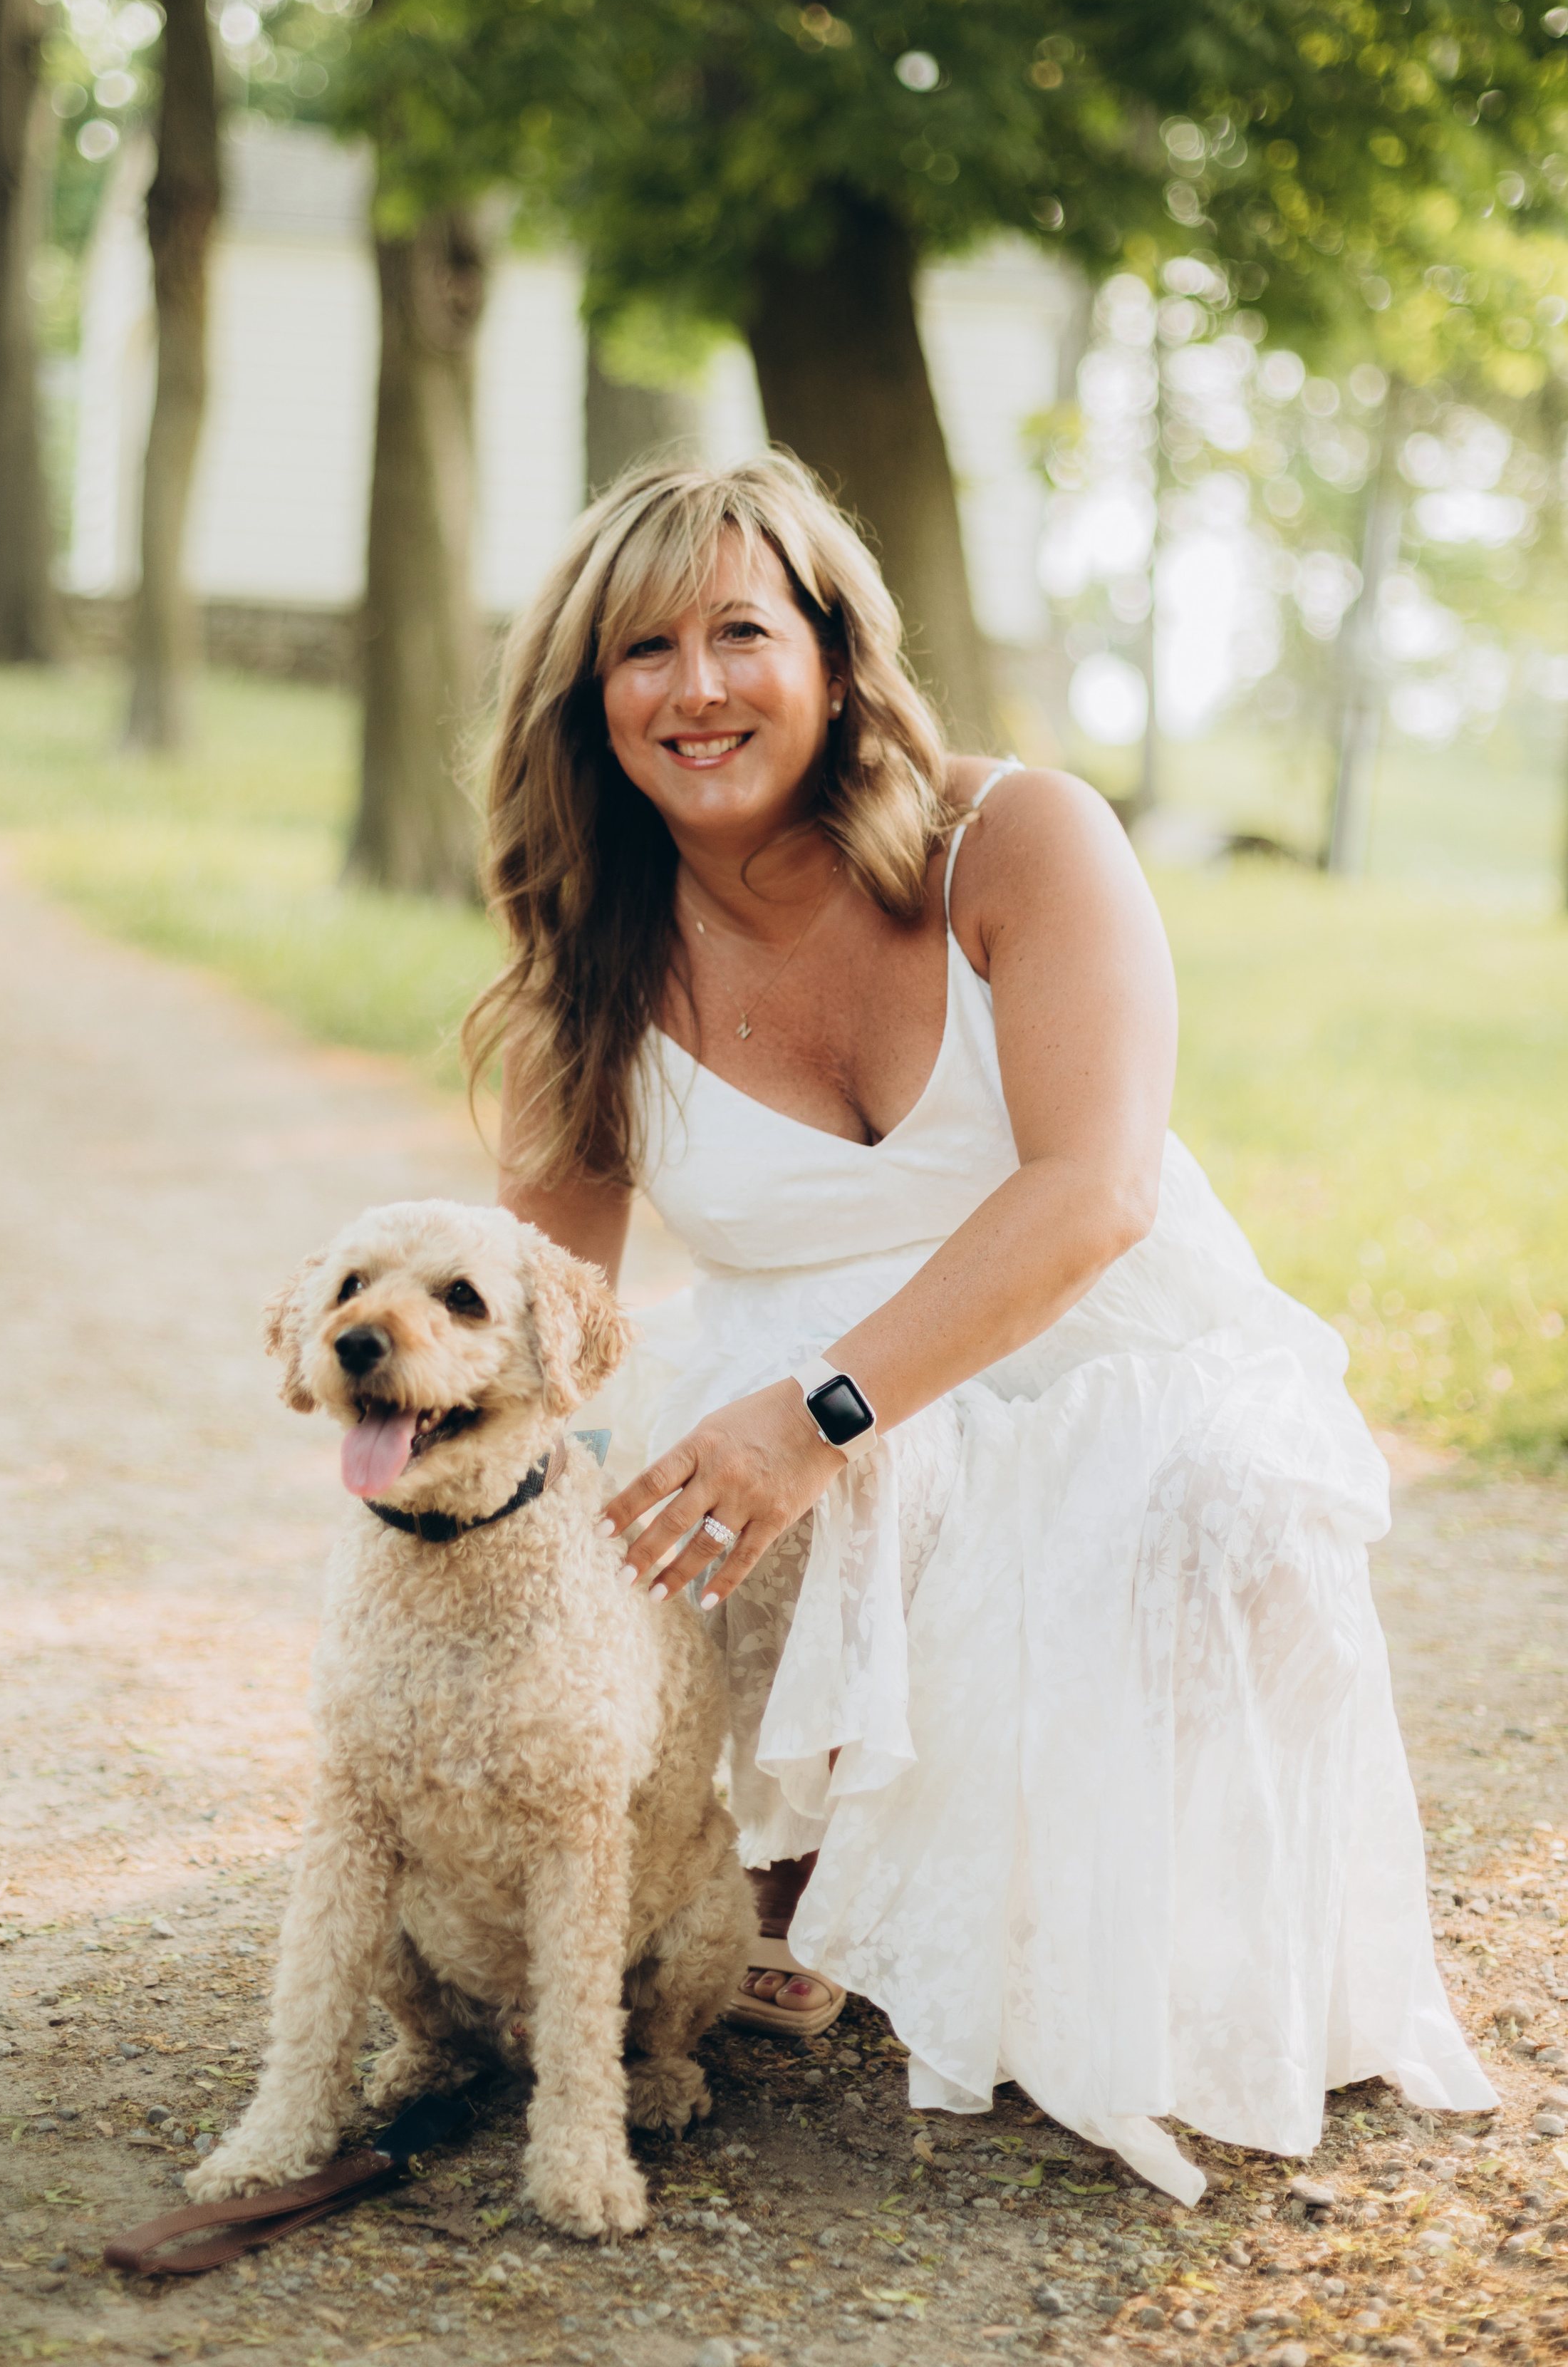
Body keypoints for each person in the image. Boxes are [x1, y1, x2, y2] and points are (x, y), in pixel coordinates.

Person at [465, 453, 1492, 2202]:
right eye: (643, 652)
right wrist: (477, 1551)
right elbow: (537, 1326)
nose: (696, 688)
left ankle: (1083, 1904)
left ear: (834, 654)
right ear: (587, 703)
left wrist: (814, 1414)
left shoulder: (1015, 837)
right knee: (702, 1427)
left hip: (1100, 1346)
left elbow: (1093, 1190)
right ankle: (781, 1871)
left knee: (1220, 1500)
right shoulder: (591, 944)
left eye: (738, 632)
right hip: (812, 1412)